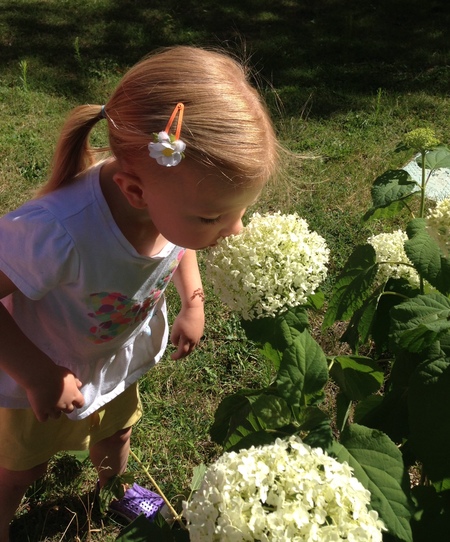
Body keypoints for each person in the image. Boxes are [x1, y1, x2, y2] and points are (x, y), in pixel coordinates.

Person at [0, 45, 280, 541]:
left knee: (118, 431)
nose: (234, 231)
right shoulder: (59, 231)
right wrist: (39, 374)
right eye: (215, 217)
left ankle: (116, 488)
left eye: (239, 211)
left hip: (113, 357)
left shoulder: (168, 199)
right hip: (42, 378)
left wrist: (192, 298)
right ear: (134, 192)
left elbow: (177, 240)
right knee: (22, 470)